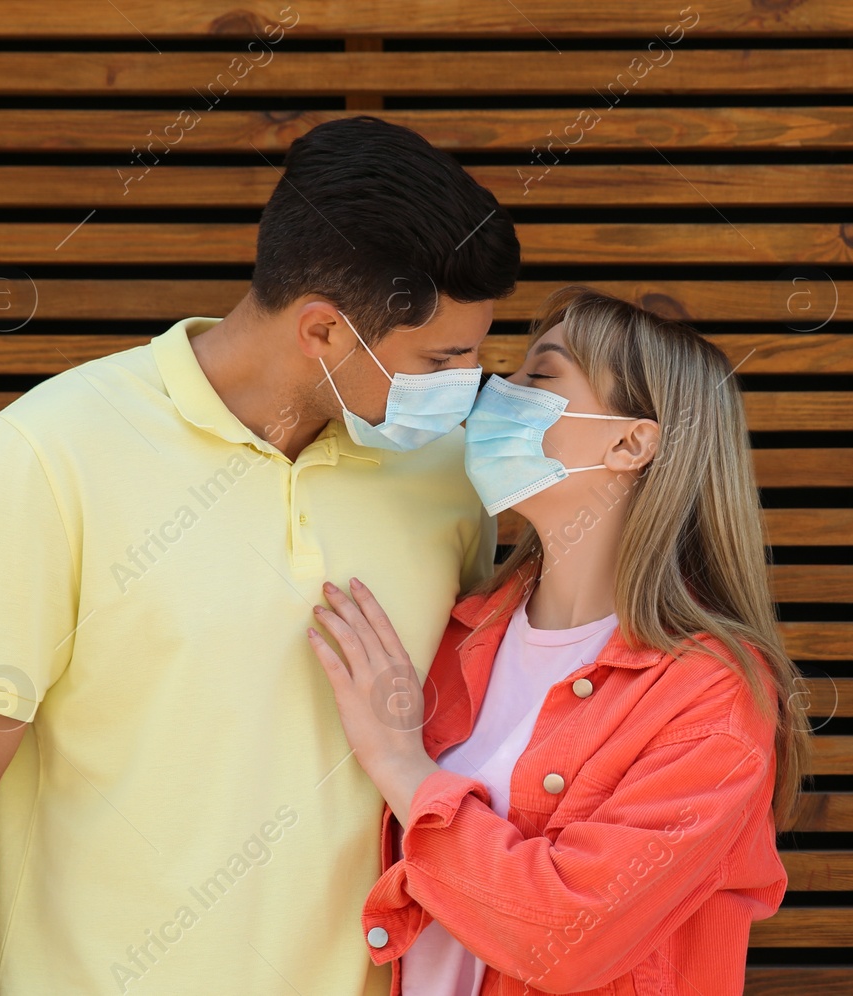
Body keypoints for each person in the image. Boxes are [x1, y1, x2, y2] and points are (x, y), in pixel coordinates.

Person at [0, 115, 520, 995]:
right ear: (324, 334)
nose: (469, 383)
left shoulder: (448, 473)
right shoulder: (48, 450)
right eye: (444, 358)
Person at [304, 286, 812, 995]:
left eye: (539, 376)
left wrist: (401, 762)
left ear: (632, 442)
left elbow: (566, 938)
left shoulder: (715, 699)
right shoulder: (453, 634)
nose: (493, 394)